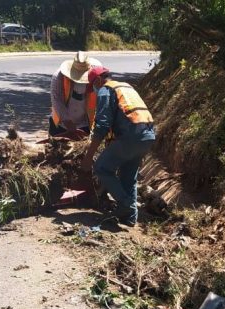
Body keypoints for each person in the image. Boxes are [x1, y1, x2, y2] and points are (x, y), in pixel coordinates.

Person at [80, 66, 156, 226]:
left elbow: (102, 125)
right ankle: (129, 218)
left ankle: (126, 205)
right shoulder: (126, 87)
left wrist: (88, 157)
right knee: (128, 177)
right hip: (147, 135)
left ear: (99, 80)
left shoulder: (105, 90)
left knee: (101, 168)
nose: (94, 90)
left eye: (93, 85)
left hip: (130, 136)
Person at [49, 51, 102, 136]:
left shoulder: (95, 77)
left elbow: (100, 99)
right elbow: (57, 100)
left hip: (85, 123)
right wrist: (67, 122)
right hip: (61, 123)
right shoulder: (59, 77)